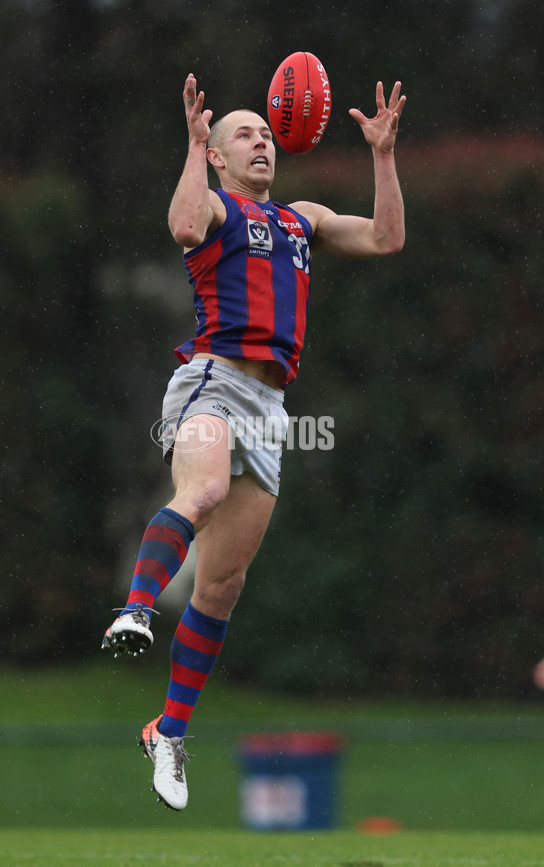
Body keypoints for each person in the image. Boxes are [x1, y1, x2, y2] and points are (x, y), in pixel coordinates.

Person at [102, 72, 406, 811]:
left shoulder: (302, 219)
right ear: (219, 156)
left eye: (265, 132)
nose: (261, 140)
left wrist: (384, 156)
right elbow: (181, 227)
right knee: (199, 492)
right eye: (245, 134)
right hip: (214, 379)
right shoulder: (213, 204)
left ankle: (168, 731)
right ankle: (137, 608)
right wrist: (191, 145)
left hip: (271, 406)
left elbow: (387, 237)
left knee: (224, 586)